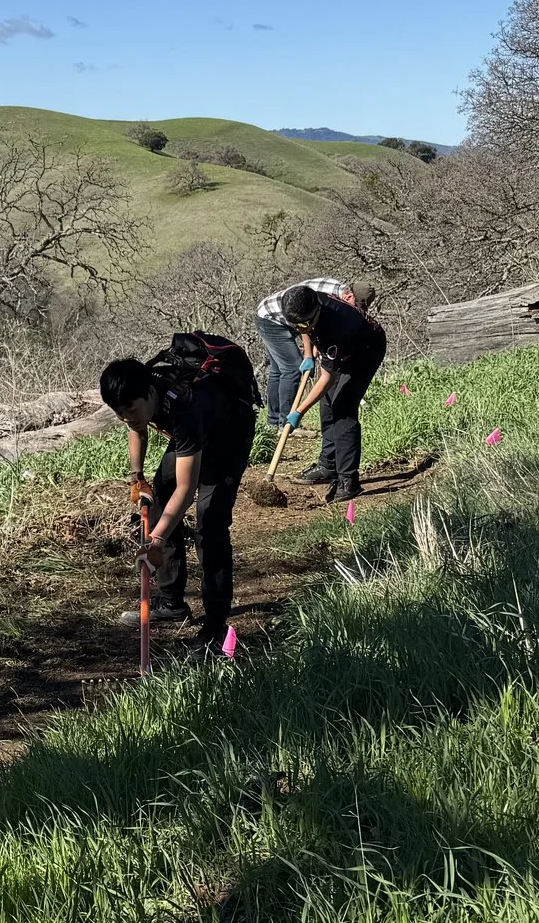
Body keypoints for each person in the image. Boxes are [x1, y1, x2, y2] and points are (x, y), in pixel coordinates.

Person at [98, 340, 255, 650]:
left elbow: (186, 491)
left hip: (228, 435)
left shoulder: (187, 406)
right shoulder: (142, 392)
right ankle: (171, 603)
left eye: (131, 409)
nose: (126, 417)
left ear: (149, 395)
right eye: (119, 413)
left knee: (209, 525)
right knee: (157, 498)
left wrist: (154, 542)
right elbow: (137, 427)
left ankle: (214, 626)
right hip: (191, 438)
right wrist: (138, 477)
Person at [279, 282, 387, 502]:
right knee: (327, 404)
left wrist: (298, 411)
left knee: (342, 409)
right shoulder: (308, 300)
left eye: (302, 323)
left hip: (365, 351)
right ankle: (328, 465)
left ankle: (348, 481)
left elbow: (326, 379)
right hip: (342, 348)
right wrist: (308, 355)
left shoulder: (338, 327)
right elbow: (305, 329)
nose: (299, 328)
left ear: (314, 315)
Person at [253, 275, 352, 428]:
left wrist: (313, 348)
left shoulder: (334, 296)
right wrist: (307, 354)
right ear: (349, 296)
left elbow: (307, 323)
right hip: (271, 319)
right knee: (291, 368)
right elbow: (303, 322)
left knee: (278, 369)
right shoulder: (323, 297)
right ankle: (285, 423)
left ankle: (273, 422)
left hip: (278, 314)